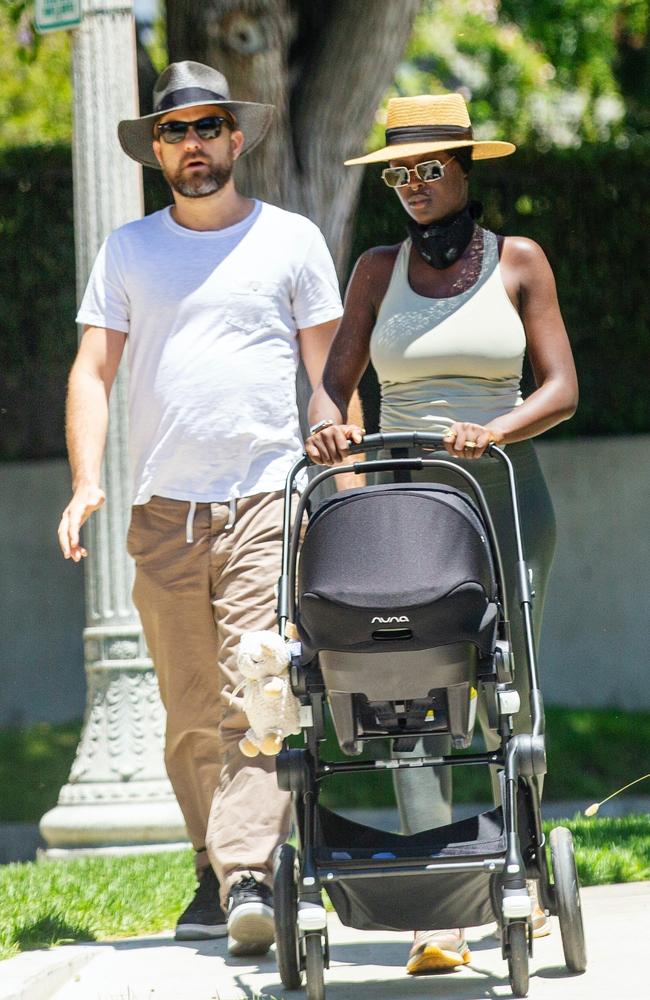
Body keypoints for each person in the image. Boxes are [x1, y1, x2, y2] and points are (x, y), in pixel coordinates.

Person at [57, 60, 353, 956]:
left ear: (237, 138)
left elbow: (329, 376)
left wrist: (344, 487)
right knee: (189, 711)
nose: (195, 144)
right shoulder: (128, 251)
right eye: (177, 131)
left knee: (260, 687)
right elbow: (92, 372)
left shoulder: (291, 239)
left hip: (266, 495)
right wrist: (86, 481)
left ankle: (253, 871)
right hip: (163, 514)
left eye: (209, 127)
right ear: (158, 149)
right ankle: (212, 864)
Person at [306, 93, 578, 975]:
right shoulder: (377, 272)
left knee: (509, 691)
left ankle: (524, 871)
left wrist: (494, 430)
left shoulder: (520, 261)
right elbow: (333, 380)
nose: (413, 187)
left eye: (428, 170)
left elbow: (561, 388)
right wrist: (330, 429)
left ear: (465, 169)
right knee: (405, 689)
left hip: (499, 492)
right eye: (398, 174)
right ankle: (442, 905)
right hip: (406, 507)